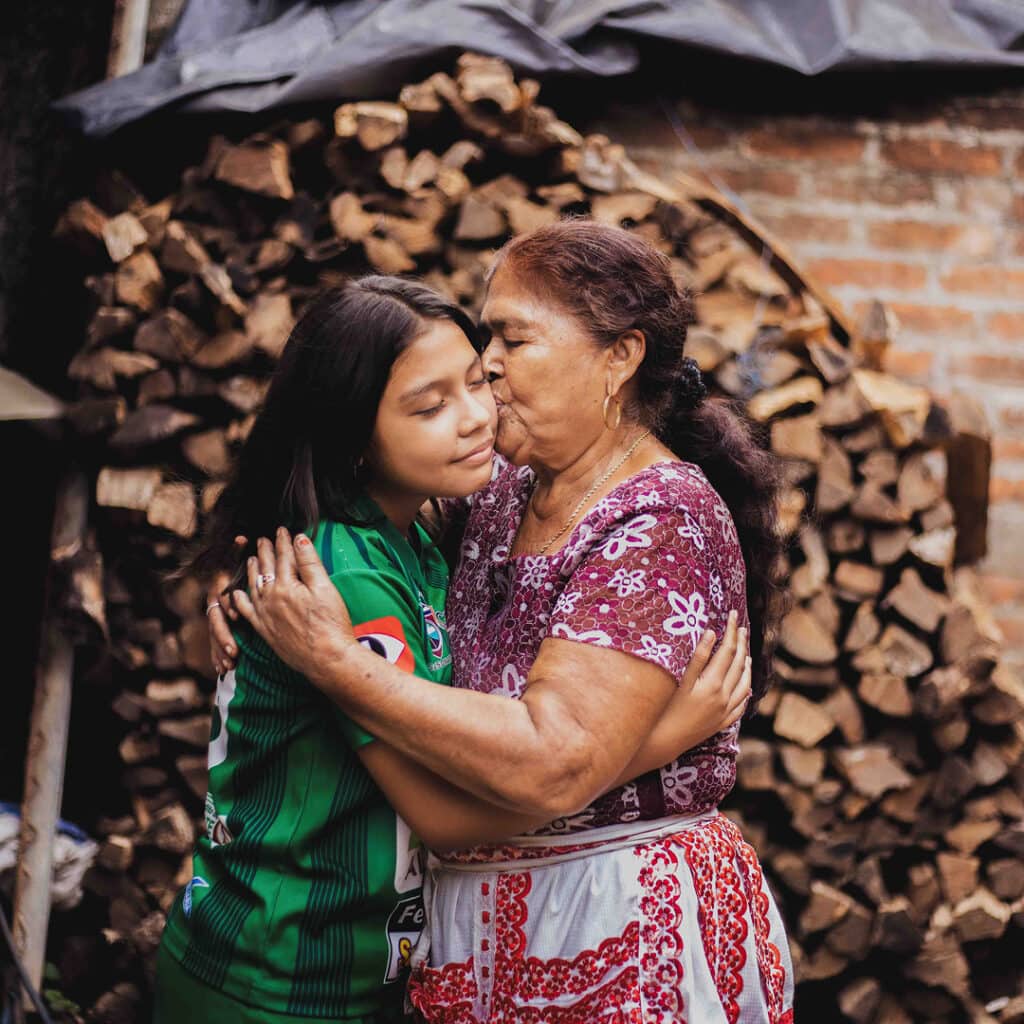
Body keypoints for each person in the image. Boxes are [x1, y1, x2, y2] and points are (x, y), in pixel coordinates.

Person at [216, 220, 794, 1022]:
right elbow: (352, 521)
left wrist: (335, 665)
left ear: (618, 358)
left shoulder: (661, 519)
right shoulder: (498, 491)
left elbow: (554, 762)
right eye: (487, 335)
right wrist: (245, 584)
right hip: (476, 936)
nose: (486, 363)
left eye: (513, 339)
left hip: (610, 926)